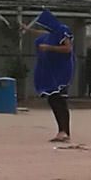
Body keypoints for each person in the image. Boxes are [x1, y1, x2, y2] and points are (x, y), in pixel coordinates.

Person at [21, 10, 74, 142]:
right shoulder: (52, 33)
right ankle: (62, 131)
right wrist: (29, 30)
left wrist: (49, 48)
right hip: (51, 72)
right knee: (53, 99)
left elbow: (68, 48)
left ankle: (64, 132)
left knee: (59, 100)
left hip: (61, 71)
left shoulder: (63, 30)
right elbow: (44, 34)